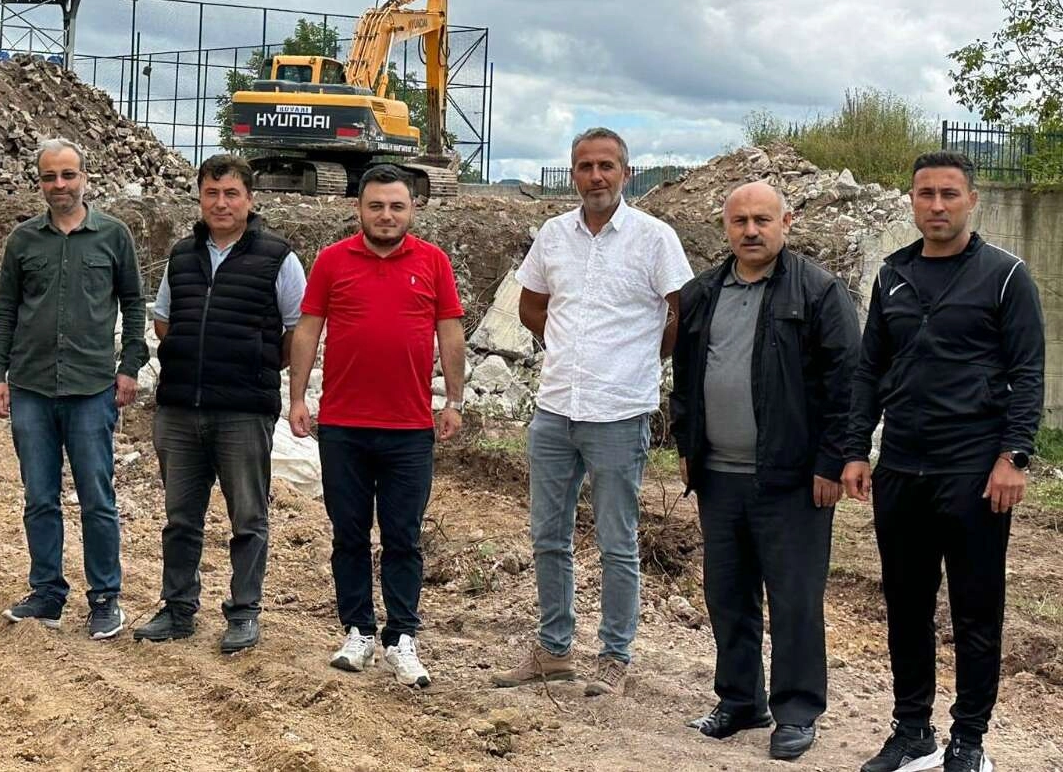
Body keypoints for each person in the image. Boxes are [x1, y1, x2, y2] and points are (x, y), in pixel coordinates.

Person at [844, 151, 1044, 772]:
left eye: (949, 194)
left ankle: (969, 740)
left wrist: (1014, 455)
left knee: (976, 610)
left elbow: (1028, 373)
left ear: (971, 201)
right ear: (911, 200)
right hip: (902, 468)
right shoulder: (893, 276)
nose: (936, 205)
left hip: (973, 471)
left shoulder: (1005, 276)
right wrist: (855, 448)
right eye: (925, 194)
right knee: (906, 607)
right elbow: (870, 370)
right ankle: (912, 731)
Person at [492, 127, 694, 696]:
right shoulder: (554, 235)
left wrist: (639, 356)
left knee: (616, 540)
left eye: (607, 166)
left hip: (619, 411)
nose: (596, 176)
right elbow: (531, 305)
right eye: (585, 166)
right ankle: (554, 649)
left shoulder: (655, 238)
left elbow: (682, 314)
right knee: (547, 535)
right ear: (574, 174)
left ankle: (614, 655)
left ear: (626, 173)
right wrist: (567, 346)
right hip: (556, 407)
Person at [670, 181, 859, 760]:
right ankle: (739, 700)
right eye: (740, 221)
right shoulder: (702, 292)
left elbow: (846, 383)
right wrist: (687, 442)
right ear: (725, 227)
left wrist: (832, 461)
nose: (751, 231)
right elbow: (685, 377)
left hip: (794, 479)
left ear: (786, 222)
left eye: (762, 220)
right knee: (727, 594)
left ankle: (797, 711)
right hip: (719, 476)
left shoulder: (818, 291)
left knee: (794, 599)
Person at [288, 163, 465, 688]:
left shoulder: (433, 262)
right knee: (349, 533)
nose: (386, 215)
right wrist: (297, 397)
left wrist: (454, 400)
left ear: (412, 209)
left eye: (397, 206)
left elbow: (450, 333)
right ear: (358, 209)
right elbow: (308, 330)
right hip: (343, 425)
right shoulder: (332, 261)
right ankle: (359, 631)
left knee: (403, 536)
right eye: (376, 206)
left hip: (409, 428)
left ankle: (402, 636)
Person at [132, 154, 306, 652]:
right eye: (212, 193)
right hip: (180, 408)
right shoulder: (182, 255)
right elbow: (163, 321)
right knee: (180, 519)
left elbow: (297, 330)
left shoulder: (278, 257)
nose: (221, 203)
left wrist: (257, 363)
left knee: (247, 518)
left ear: (249, 199)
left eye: (231, 193)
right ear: (200, 198)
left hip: (244, 411)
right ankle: (178, 608)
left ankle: (244, 611)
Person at [0, 138, 148, 641]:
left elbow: (134, 303)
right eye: (50, 177)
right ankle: (47, 593)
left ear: (84, 178)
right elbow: (5, 309)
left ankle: (105, 598)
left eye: (68, 175)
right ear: (40, 182)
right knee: (39, 496)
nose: (59, 185)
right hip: (31, 387)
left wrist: (129, 366)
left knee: (97, 497)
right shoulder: (23, 241)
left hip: (92, 388)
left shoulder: (113, 236)